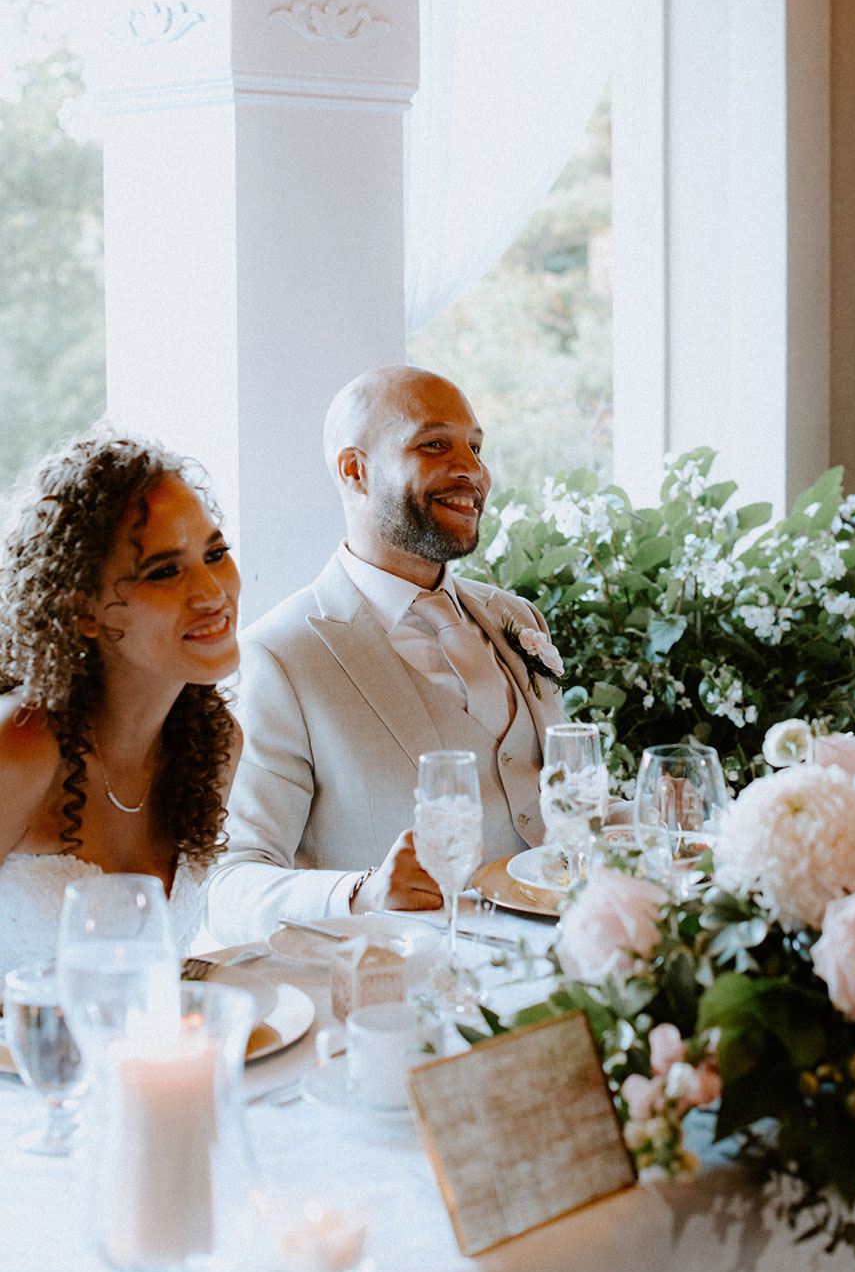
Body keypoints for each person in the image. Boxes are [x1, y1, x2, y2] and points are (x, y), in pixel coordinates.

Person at [205, 365, 565, 944]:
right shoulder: (280, 655)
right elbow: (225, 884)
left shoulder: (515, 619)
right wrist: (361, 892)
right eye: (435, 444)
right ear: (356, 471)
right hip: (412, 999)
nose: (472, 471)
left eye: (475, 446)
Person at [0, 430, 242, 984]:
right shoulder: (21, 743)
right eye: (164, 570)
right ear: (83, 611)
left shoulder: (216, 745)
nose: (212, 594)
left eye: (215, 553)